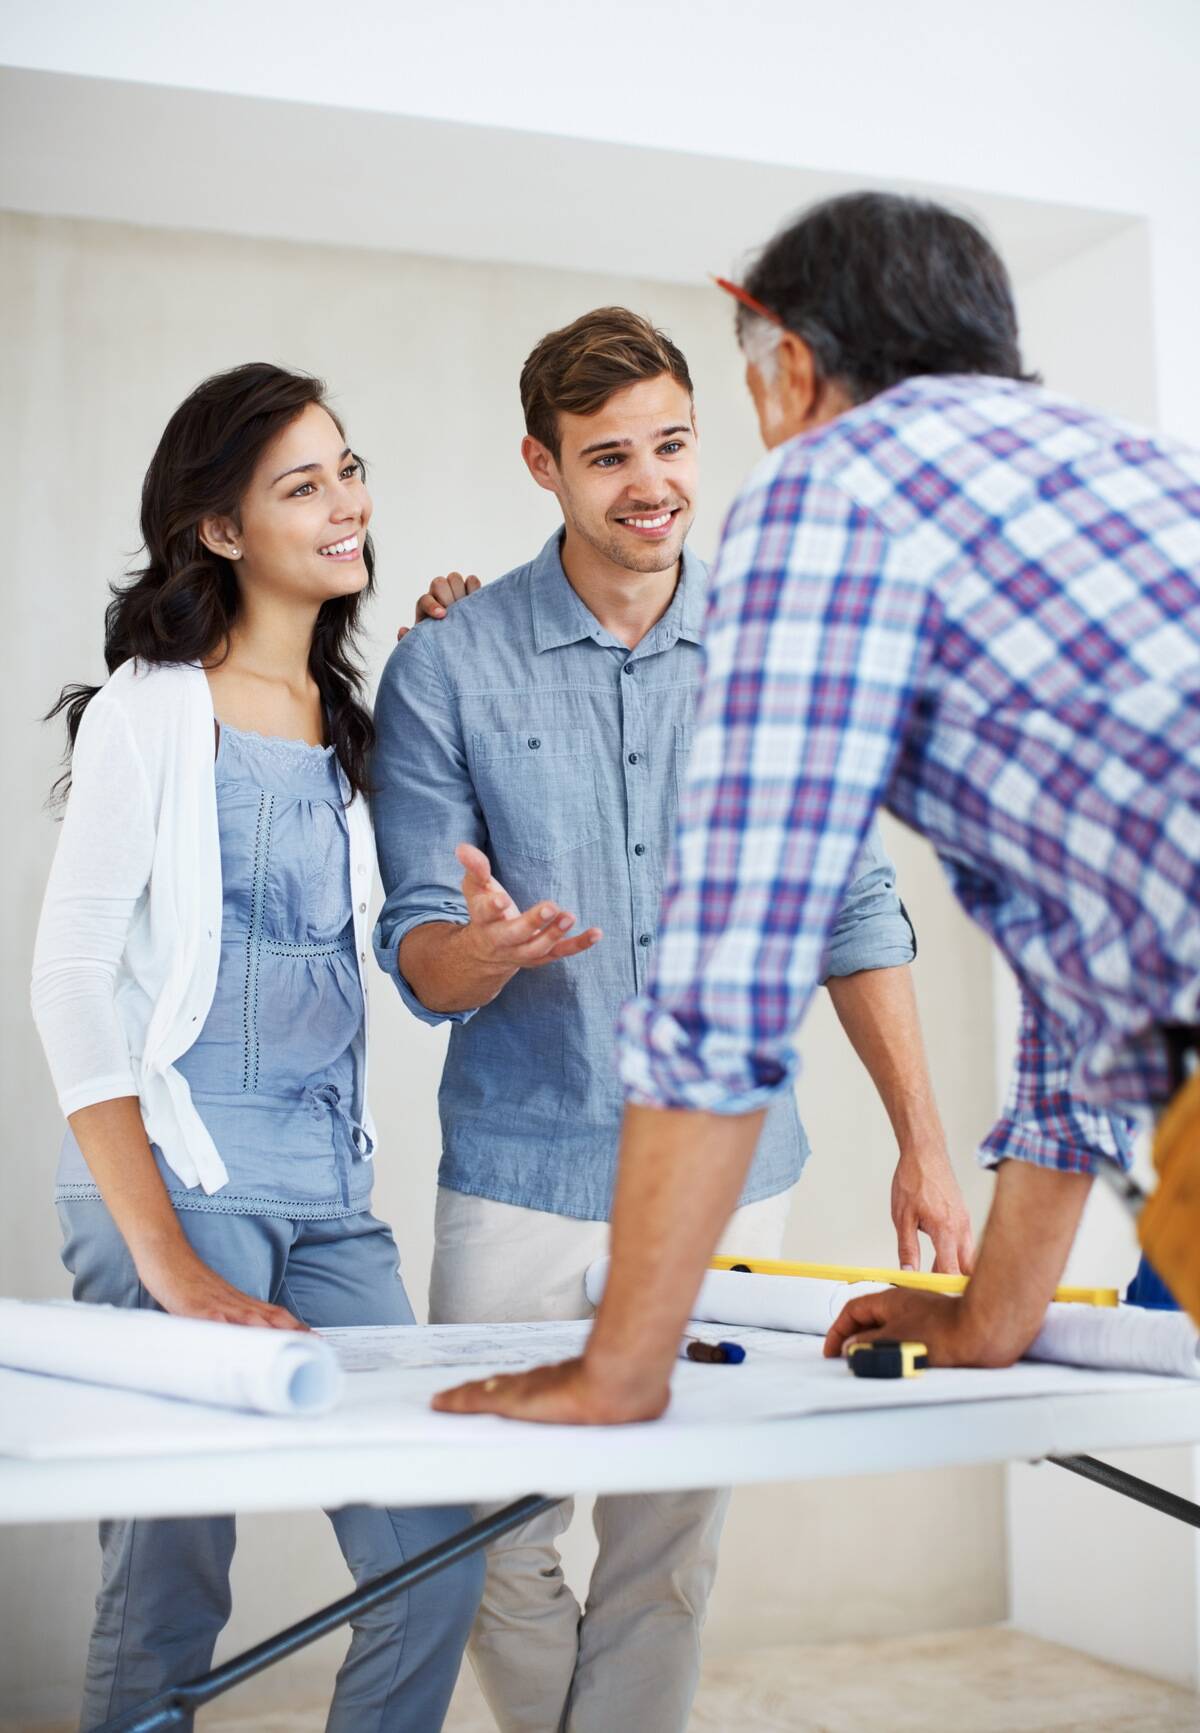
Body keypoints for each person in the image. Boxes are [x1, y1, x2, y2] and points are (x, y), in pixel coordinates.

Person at [433, 191, 1200, 1430]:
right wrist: (992, 1316)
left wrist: (621, 1364)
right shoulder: (1139, 470)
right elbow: (1087, 963)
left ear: (789, 368)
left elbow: (737, 960)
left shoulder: (830, 495)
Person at [372, 306, 969, 1732]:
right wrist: (490, 950)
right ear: (543, 464)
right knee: (488, 1532)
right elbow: (414, 954)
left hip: (730, 1173)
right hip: (519, 1176)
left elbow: (851, 907)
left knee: (667, 1544)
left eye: (672, 444)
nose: (649, 482)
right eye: (607, 456)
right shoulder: (449, 663)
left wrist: (924, 1145)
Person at [31, 363, 482, 1730]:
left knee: (432, 1547)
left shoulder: (354, 728)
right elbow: (66, 986)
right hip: (180, 1181)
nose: (347, 504)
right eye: (303, 485)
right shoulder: (149, 710)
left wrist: (452, 647)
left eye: (347, 468)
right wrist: (168, 1259)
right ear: (220, 529)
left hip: (329, 1198)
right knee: (172, 1577)